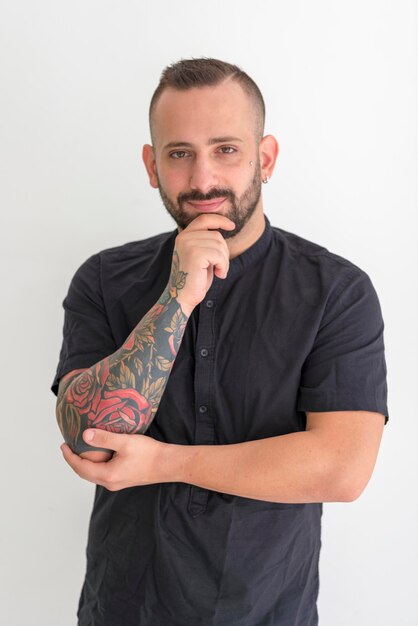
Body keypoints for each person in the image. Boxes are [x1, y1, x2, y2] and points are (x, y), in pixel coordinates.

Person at [51, 57, 389, 626]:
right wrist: (178, 297)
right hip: (124, 609)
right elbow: (89, 437)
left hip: (269, 613)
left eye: (226, 149)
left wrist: (163, 462)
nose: (203, 178)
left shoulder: (337, 292)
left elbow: (342, 469)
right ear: (152, 165)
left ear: (265, 158)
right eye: (179, 153)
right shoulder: (105, 280)